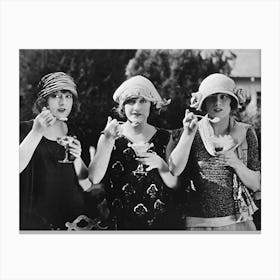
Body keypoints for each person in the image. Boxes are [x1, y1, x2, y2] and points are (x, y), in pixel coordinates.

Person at [168, 73, 261, 231]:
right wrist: (188, 134)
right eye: (212, 97)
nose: (218, 103)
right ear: (203, 102)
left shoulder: (246, 133)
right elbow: (174, 169)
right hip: (198, 224)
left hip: (239, 222)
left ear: (233, 100)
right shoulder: (191, 130)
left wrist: (236, 163)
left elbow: (256, 184)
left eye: (224, 97)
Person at [88, 75, 182, 230]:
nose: (137, 107)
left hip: (158, 224)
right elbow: (94, 178)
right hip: (119, 224)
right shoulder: (110, 135)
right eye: (131, 101)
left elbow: (175, 184)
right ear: (122, 106)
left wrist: (161, 165)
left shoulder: (165, 137)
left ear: (151, 104)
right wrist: (107, 141)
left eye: (143, 101)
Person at [20, 72, 94, 230]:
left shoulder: (76, 132)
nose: (62, 102)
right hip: (35, 223)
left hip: (73, 222)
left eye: (68, 96)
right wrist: (36, 132)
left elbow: (86, 184)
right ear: (44, 101)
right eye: (55, 96)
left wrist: (78, 159)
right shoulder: (24, 129)